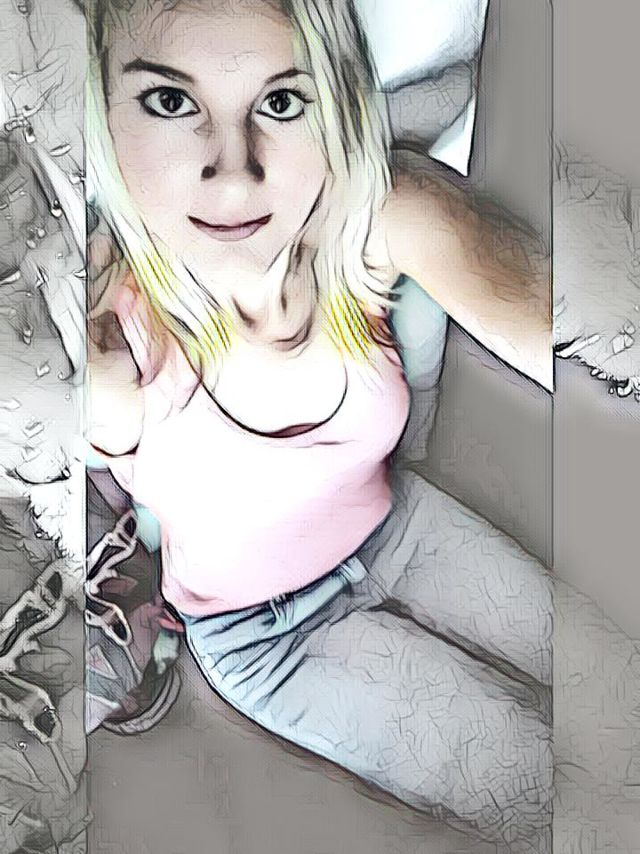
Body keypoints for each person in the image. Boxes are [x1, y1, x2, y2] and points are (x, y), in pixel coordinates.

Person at [84, 0, 553, 849]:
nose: (234, 175)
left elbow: (564, 327)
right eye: (170, 102)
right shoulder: (113, 350)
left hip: (402, 529)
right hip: (271, 636)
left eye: (279, 101)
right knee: (536, 783)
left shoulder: (363, 221)